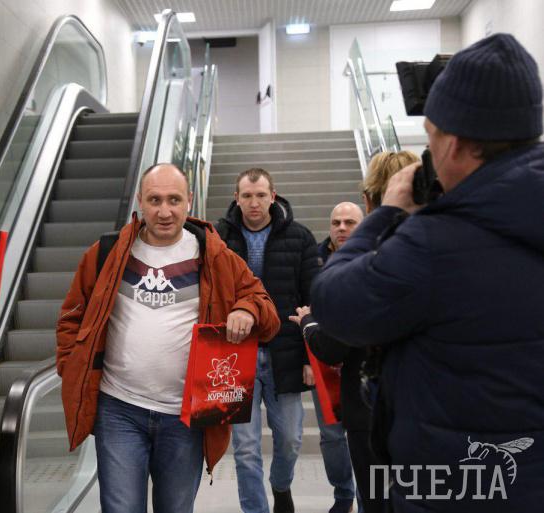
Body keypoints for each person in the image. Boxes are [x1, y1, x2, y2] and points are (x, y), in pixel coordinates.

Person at [310, 33, 544, 512]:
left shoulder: (438, 242)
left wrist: (386, 212)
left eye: (431, 135)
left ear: (453, 145)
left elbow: (335, 302)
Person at [56, 163, 280, 513]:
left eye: (174, 200)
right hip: (118, 409)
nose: (164, 211)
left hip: (184, 416)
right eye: (155, 200)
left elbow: (266, 309)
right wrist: (71, 369)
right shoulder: (108, 253)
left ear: (189, 200)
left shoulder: (214, 255)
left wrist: (247, 309)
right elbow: (71, 317)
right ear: (140, 201)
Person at [215, 168, 355, 513]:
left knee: (290, 440)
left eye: (261, 195)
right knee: (246, 448)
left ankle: (280, 486)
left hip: (286, 352)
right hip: (236, 355)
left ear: (273, 196)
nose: (254, 202)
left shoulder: (299, 237)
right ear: (236, 198)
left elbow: (313, 299)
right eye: (247, 196)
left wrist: (311, 357)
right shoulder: (219, 237)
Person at [290, 180, 409, 513]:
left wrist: (309, 324)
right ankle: (344, 495)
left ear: (367, 217)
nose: (341, 228)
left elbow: (328, 337)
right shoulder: (314, 260)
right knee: (332, 439)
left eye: (350, 222)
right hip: (337, 374)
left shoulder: (366, 266)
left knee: (378, 488)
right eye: (336, 222)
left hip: (363, 385)